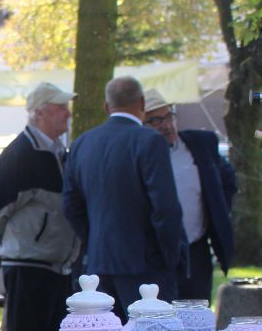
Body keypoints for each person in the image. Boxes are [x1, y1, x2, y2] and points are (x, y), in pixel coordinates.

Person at [0, 81, 81, 331]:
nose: (67, 114)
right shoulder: (21, 153)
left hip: (54, 266)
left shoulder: (58, 152)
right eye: (60, 108)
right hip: (29, 265)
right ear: (40, 113)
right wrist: (4, 242)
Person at [62, 75, 186, 311]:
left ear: (107, 107)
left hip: (99, 262)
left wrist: (94, 238)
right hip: (146, 263)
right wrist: (170, 255)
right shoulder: (150, 141)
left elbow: (70, 205)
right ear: (142, 103)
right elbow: (165, 206)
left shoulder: (82, 143)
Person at [142, 88, 237, 303]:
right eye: (155, 120)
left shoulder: (200, 143)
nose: (166, 125)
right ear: (142, 125)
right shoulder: (140, 154)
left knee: (197, 313)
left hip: (196, 249)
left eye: (168, 116)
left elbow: (228, 180)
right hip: (156, 253)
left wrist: (217, 213)